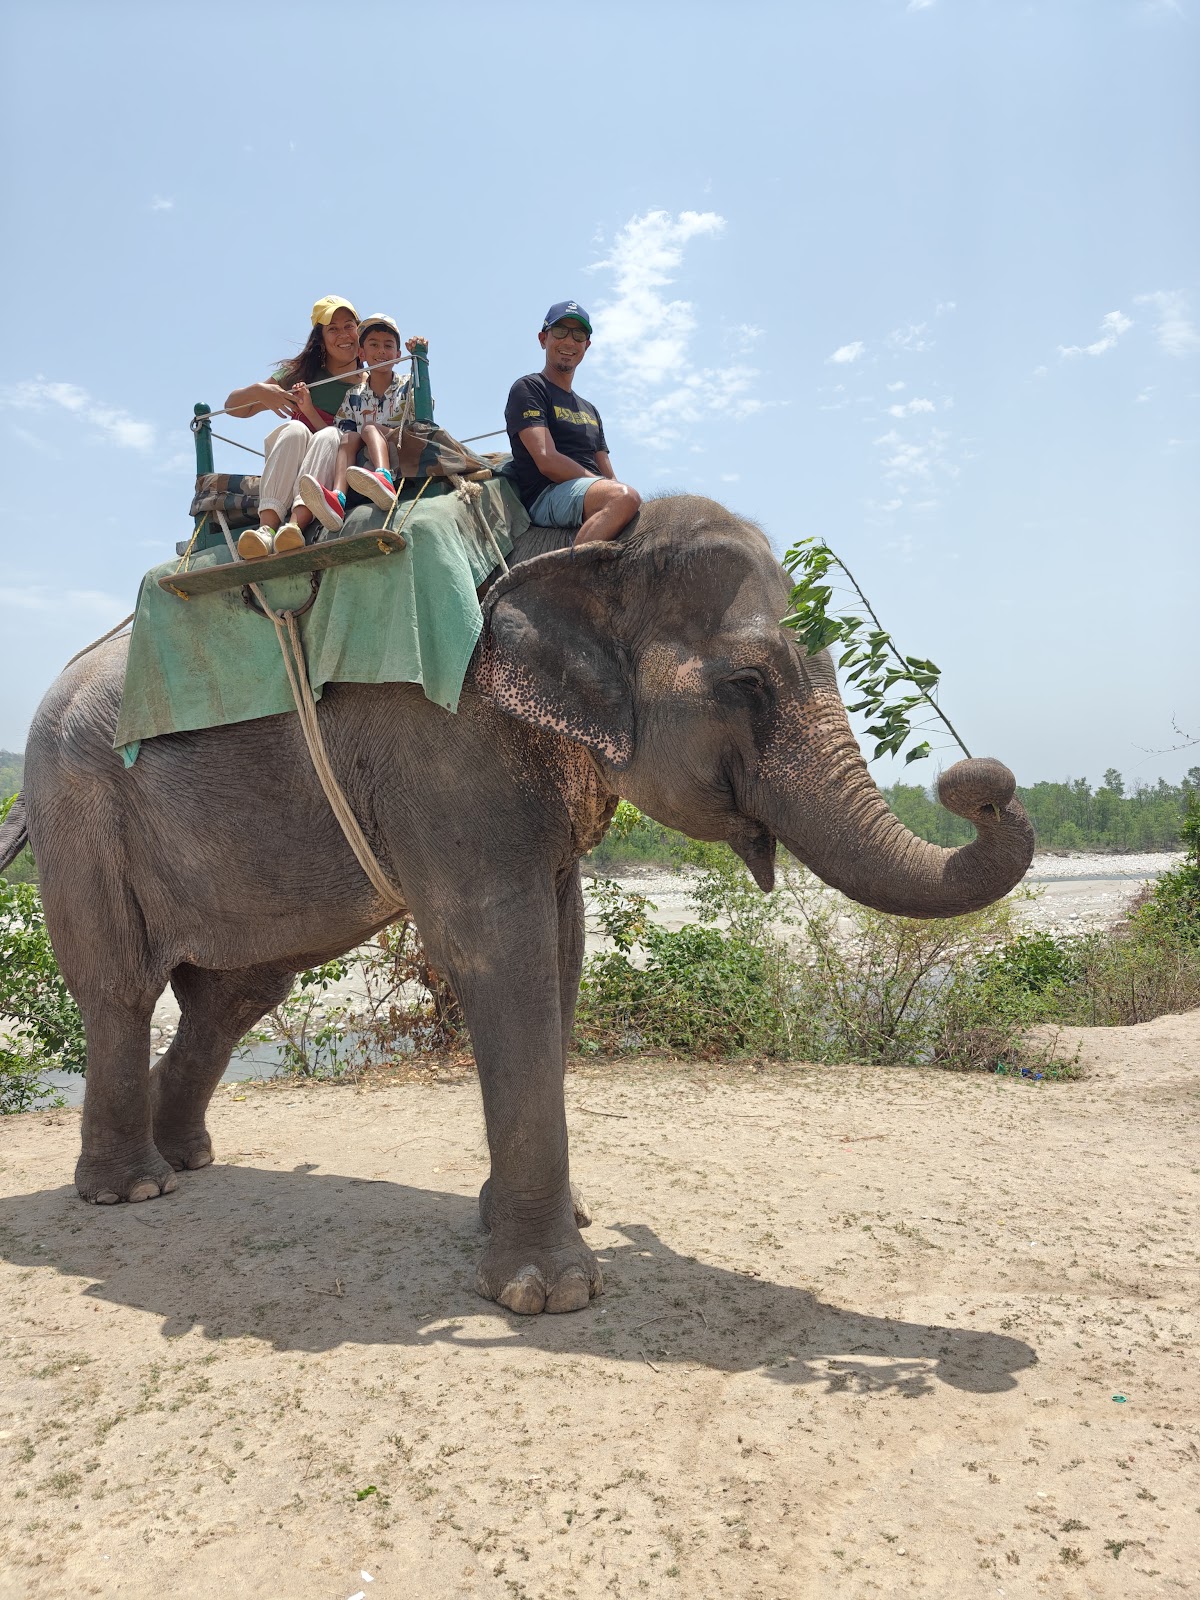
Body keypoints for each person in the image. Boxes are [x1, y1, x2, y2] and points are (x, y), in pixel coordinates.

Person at [223, 295, 362, 559]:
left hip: (334, 469)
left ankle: (296, 526)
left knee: (331, 435)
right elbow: (233, 408)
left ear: (359, 329)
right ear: (321, 339)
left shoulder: (369, 384)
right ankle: (266, 530)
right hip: (292, 459)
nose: (343, 334)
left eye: (349, 325)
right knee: (295, 430)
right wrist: (259, 391)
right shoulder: (301, 375)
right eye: (333, 329)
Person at [503, 300, 640, 545]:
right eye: (560, 331)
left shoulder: (591, 410)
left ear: (586, 346)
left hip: (591, 491)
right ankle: (571, 567)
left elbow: (607, 472)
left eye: (578, 335)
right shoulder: (529, 388)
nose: (569, 341)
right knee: (623, 497)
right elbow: (547, 460)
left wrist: (608, 485)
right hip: (548, 494)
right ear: (543, 339)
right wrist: (601, 485)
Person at [298, 314, 428, 531]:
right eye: (374, 345)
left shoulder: (408, 384)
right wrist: (309, 410)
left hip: (402, 446)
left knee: (369, 427)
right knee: (349, 437)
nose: (381, 351)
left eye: (388, 346)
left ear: (397, 355)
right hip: (365, 449)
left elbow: (425, 418)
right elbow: (337, 435)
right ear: (362, 353)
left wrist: (420, 357)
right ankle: (338, 497)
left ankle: (383, 477)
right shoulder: (354, 395)